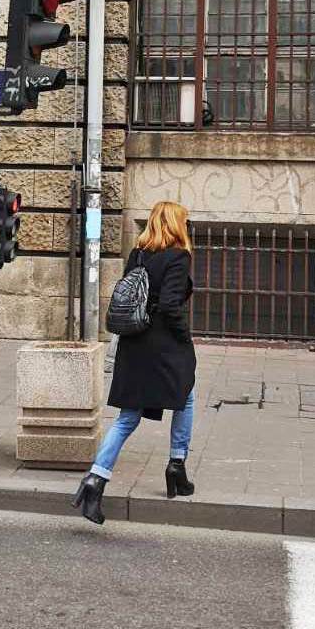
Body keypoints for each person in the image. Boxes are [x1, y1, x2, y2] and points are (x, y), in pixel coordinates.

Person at [72, 200, 196, 525]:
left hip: (134, 343)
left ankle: (95, 480)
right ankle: (176, 466)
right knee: (186, 396)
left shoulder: (138, 254)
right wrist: (185, 338)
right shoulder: (178, 257)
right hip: (164, 347)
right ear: (175, 224)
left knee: (128, 418)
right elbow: (170, 305)